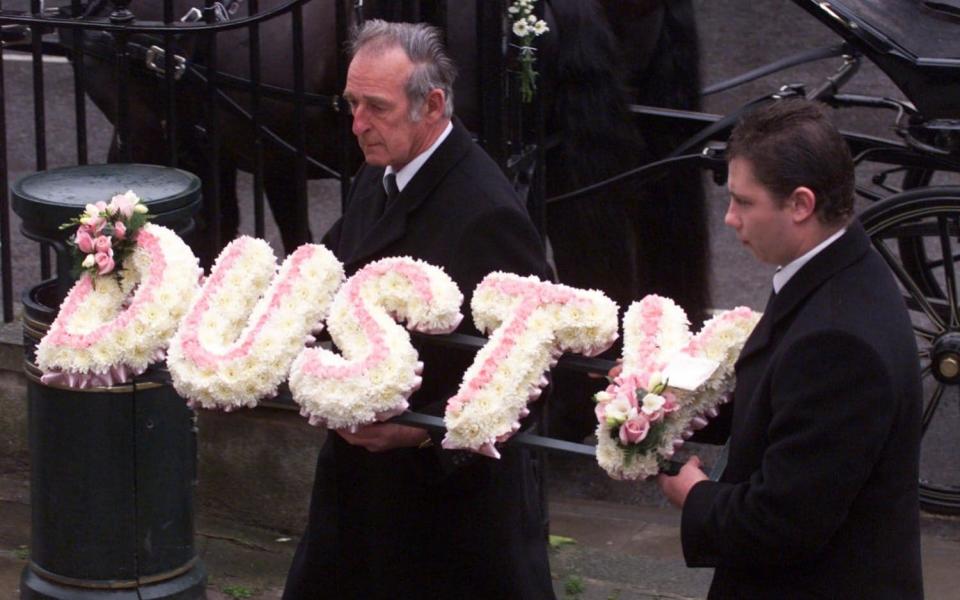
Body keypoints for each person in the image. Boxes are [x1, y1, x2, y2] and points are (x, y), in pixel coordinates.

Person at [282, 20, 556, 600]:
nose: (357, 125)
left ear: (431, 105)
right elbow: (333, 266)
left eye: (375, 107)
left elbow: (536, 368)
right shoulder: (381, 170)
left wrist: (421, 432)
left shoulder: (486, 212)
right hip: (361, 497)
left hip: (446, 516)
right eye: (351, 103)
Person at [658, 99, 923, 599]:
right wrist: (662, 388)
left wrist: (695, 496)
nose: (731, 220)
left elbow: (781, 522)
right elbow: (780, 394)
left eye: (744, 202)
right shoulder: (838, 268)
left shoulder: (838, 343)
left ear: (801, 204)